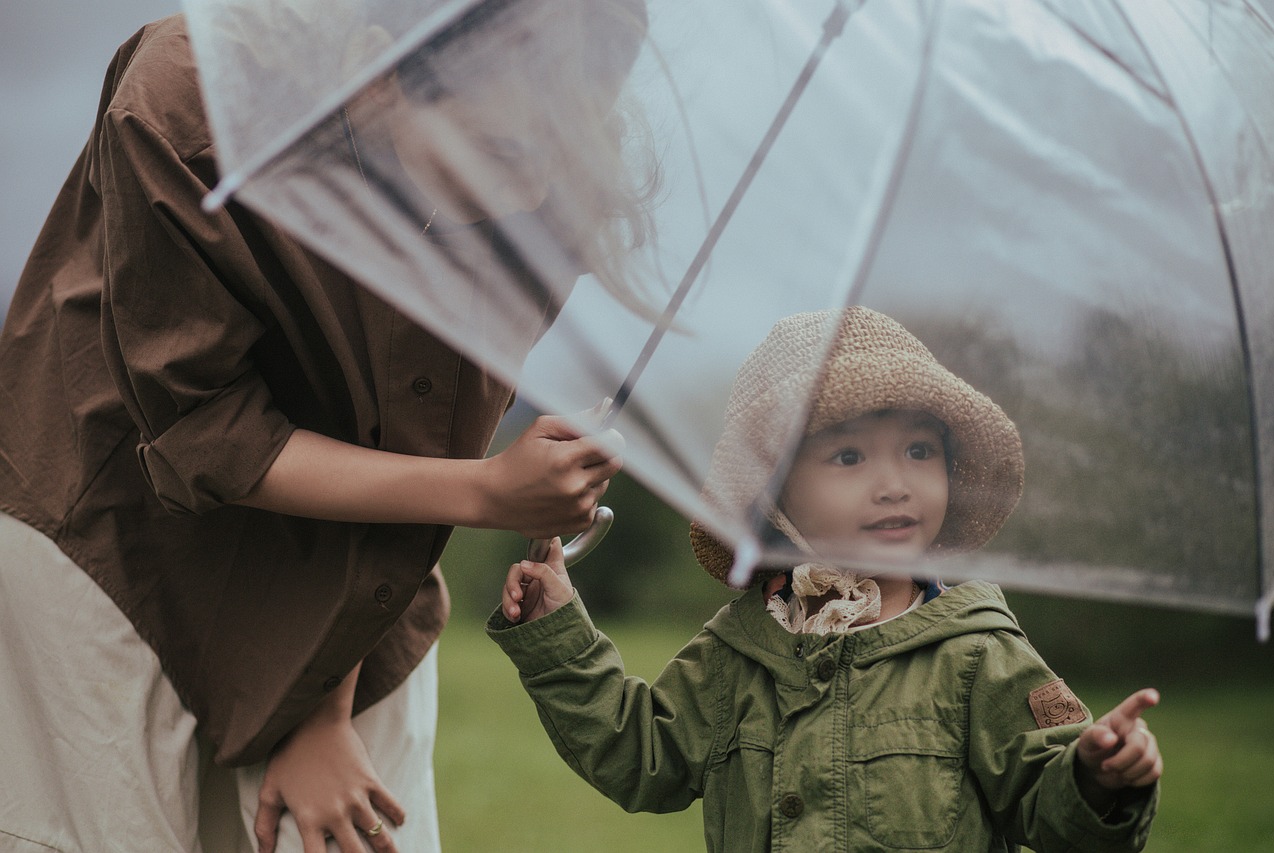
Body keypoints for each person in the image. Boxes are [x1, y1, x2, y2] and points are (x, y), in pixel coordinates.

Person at [0, 1, 649, 851]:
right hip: (117, 525)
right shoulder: (189, 101)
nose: (526, 194)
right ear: (377, 76)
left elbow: (423, 436)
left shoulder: (553, 181)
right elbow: (202, 427)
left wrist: (323, 703)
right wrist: (492, 491)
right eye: (498, 153)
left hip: (365, 549)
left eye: (561, 152)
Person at [488, 306, 1162, 852]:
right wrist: (559, 633)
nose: (895, 483)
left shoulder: (976, 652)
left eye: (920, 450)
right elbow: (641, 754)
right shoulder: (740, 649)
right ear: (774, 494)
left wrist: (1097, 779)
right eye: (849, 455)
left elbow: (1049, 806)